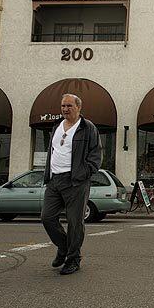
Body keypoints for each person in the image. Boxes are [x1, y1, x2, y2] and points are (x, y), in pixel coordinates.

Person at [41, 94, 102, 275]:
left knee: (75, 222)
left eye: (69, 105)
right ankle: (64, 247)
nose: (65, 109)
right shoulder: (56, 126)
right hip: (54, 180)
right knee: (47, 217)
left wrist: (84, 173)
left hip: (75, 181)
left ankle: (73, 259)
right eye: (63, 106)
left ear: (78, 107)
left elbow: (96, 156)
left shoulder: (87, 128)